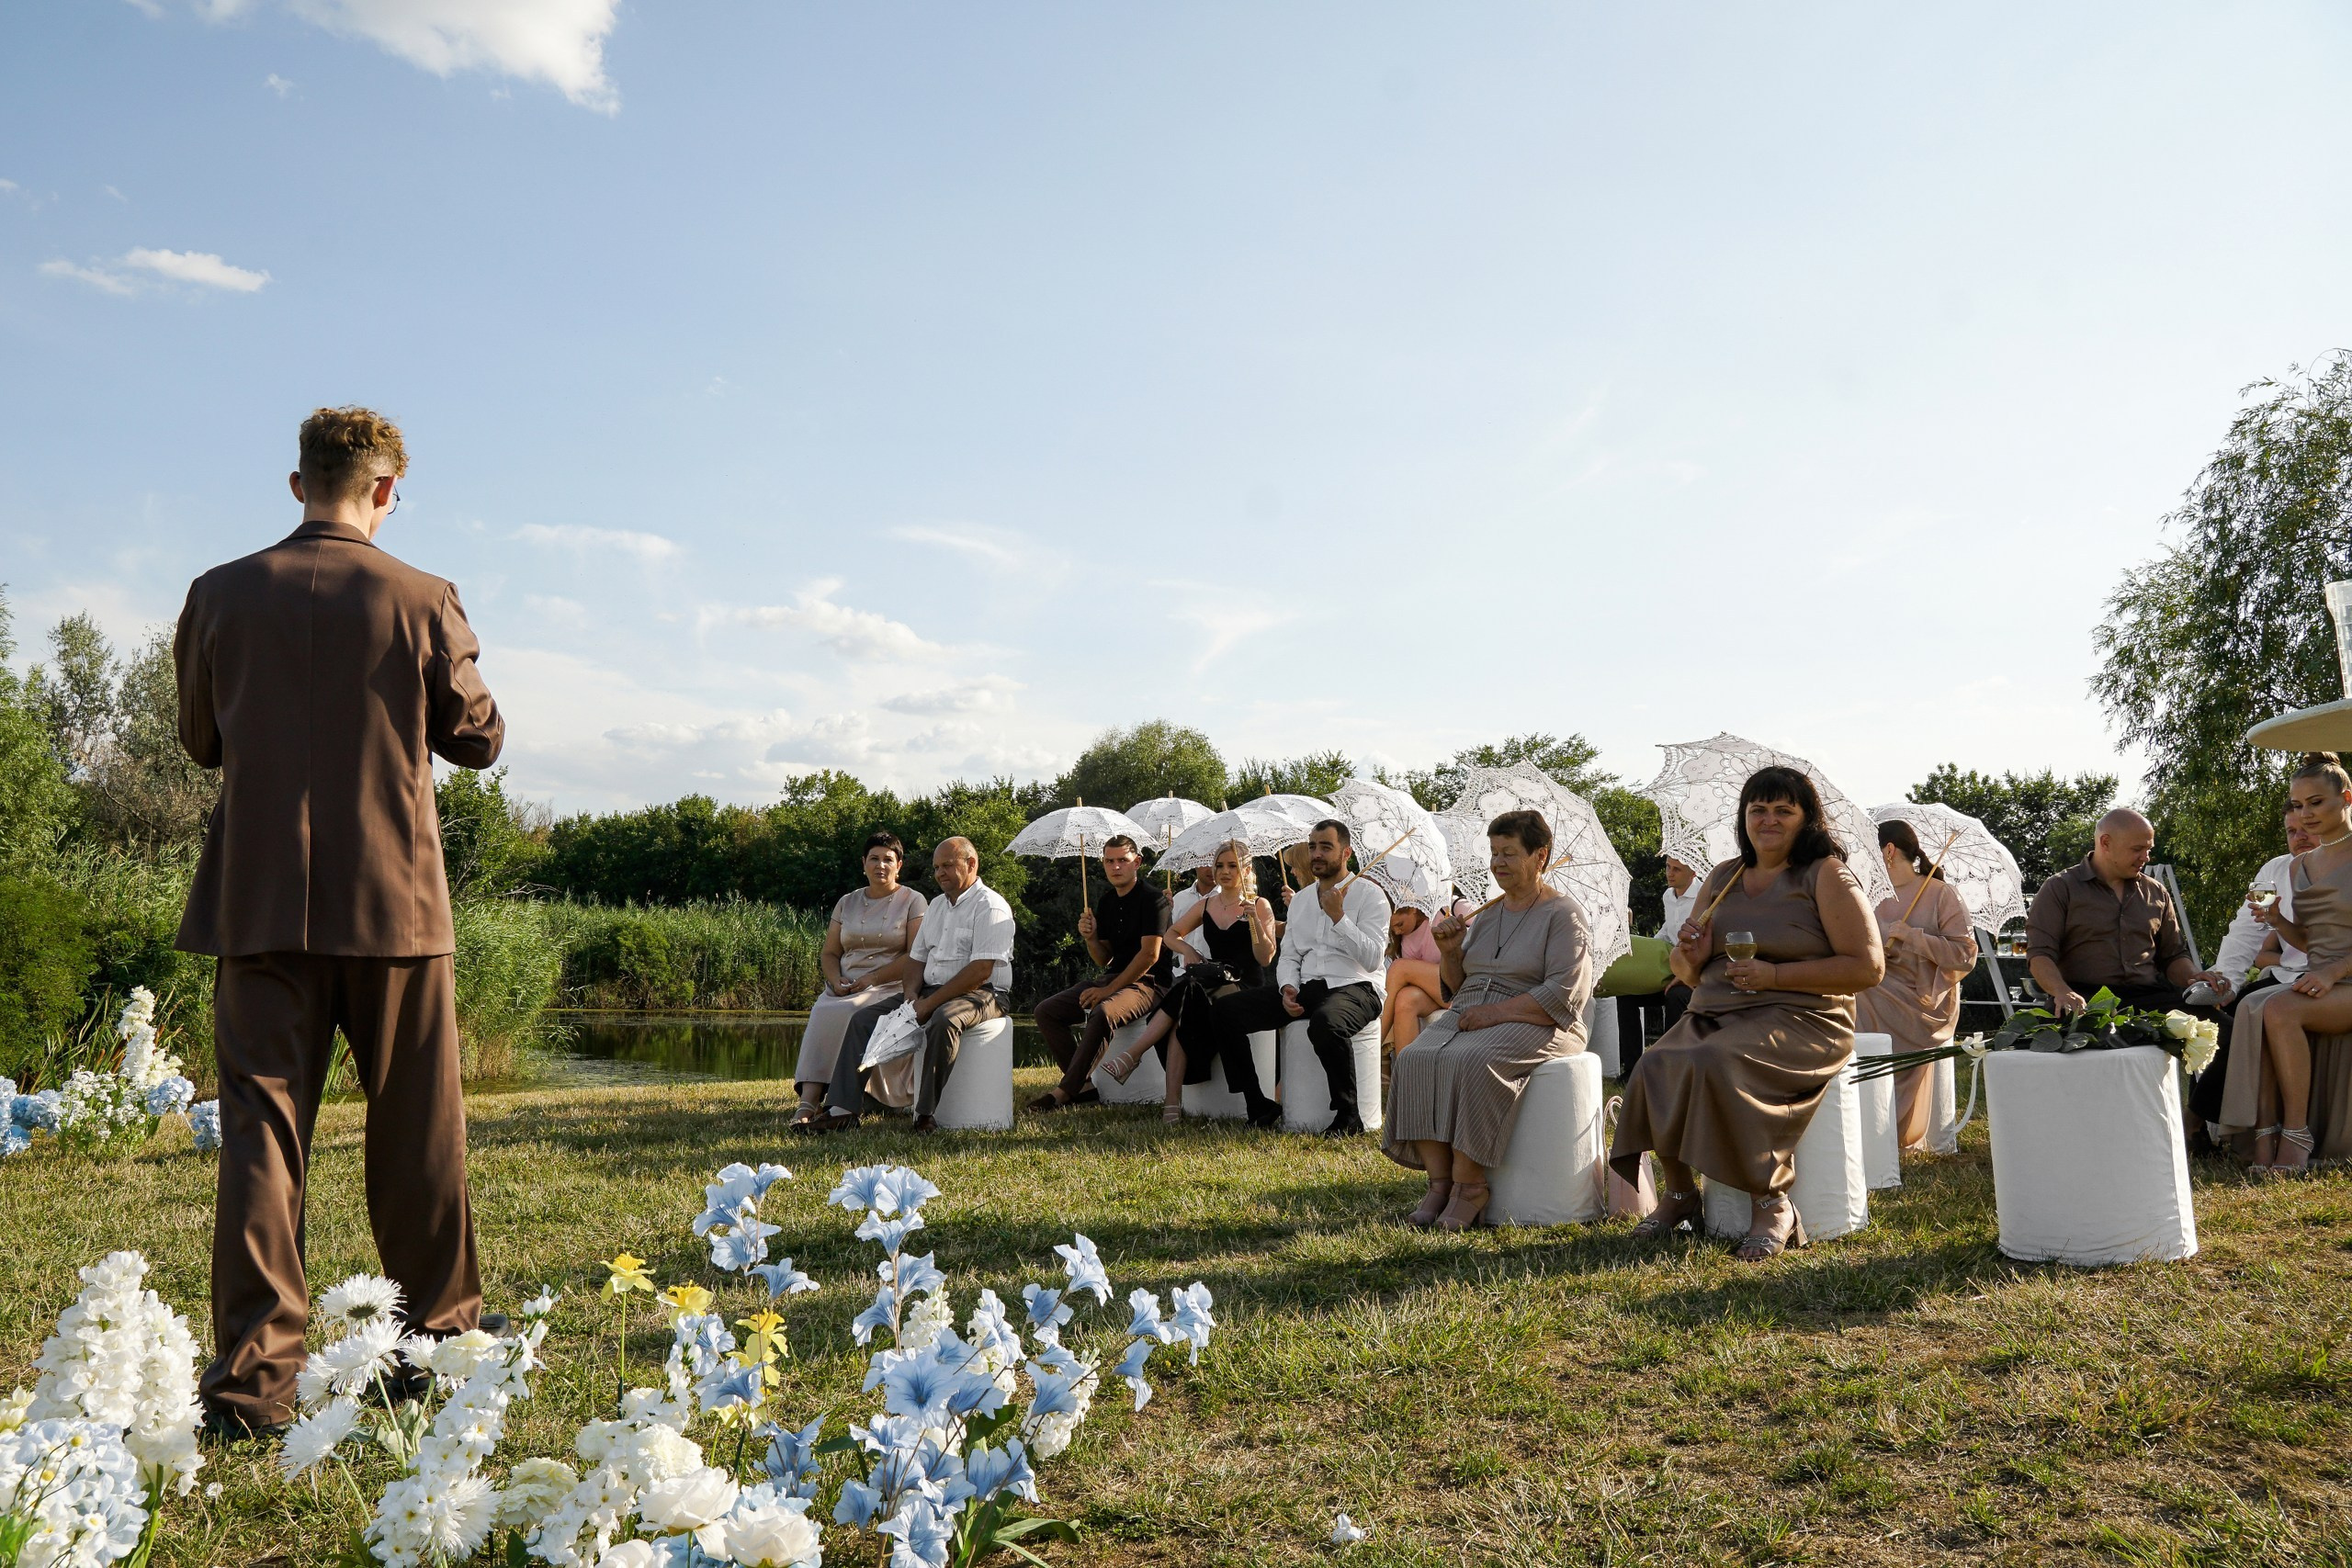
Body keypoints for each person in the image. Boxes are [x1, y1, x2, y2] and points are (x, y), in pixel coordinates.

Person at [175, 407, 503, 1435]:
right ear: (387, 489)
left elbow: (200, 740)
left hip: (258, 901)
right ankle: (433, 1343)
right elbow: (477, 739)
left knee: (262, 1138)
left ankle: (253, 1383)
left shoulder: (217, 593)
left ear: (297, 483)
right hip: (395, 902)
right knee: (418, 1130)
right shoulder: (423, 595)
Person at [1610, 766, 1885, 1261]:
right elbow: (1688, 973)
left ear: (1807, 818)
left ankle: (1772, 1201)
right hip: (1717, 1011)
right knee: (1655, 1063)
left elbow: (1868, 967)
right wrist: (1690, 954)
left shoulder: (1826, 874)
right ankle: (1680, 1192)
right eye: (1758, 809)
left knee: (1718, 1059)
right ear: (1744, 817)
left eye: (1783, 810)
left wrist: (1774, 976)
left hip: (1804, 1017)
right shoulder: (1724, 875)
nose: (1768, 820)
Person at [1385, 810, 1593, 1229]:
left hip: (1541, 1020)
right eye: (1494, 853)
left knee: (1474, 1061)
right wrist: (1450, 952)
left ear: (1540, 856)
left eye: (1509, 853)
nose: (1498, 863)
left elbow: (1564, 994)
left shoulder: (1564, 915)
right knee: (1414, 1058)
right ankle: (1440, 1183)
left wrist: (1495, 1013)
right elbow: (1457, 984)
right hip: (1472, 1011)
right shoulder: (1490, 912)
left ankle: (1470, 1186)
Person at [806, 837, 1012, 1134]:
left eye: (947, 865)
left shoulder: (991, 906)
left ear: (971, 864)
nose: (940, 873)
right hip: (930, 989)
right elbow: (916, 959)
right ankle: (843, 1110)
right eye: (936, 867)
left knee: (944, 1019)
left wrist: (929, 1004)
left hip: (984, 993)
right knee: (863, 1019)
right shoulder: (938, 906)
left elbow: (980, 970)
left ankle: (924, 1115)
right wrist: (911, 995)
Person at [1209, 819, 1390, 1134]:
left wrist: (1339, 917)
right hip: (1308, 986)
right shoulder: (1303, 900)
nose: (1316, 854)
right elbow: (1290, 954)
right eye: (1313, 847)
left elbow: (1373, 958)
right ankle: (1258, 1104)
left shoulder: (1370, 896)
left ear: (1346, 853)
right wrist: (1288, 987)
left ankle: (1349, 1115)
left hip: (1357, 987)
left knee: (1326, 1022)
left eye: (1326, 847)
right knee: (1226, 1011)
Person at [2219, 754, 2352, 1173]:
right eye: (2298, 805)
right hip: (2323, 979)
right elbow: (2312, 942)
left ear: (2346, 798)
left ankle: (2296, 1135)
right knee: (2251, 1006)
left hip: (2343, 979)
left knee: (2277, 1007)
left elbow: (2330, 957)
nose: (2306, 814)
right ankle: (2265, 1137)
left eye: (2316, 802)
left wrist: (2333, 971)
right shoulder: (2299, 867)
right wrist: (2277, 920)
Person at [1098, 839, 1280, 1121]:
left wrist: (1255, 921)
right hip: (1212, 980)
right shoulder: (1206, 905)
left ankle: (1136, 1058)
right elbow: (1170, 935)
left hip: (1245, 985)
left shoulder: (1259, 904)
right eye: (1219, 865)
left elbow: (1265, 958)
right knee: (1187, 1004)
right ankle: (1171, 1102)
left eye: (1233, 866)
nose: (1224, 871)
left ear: (1246, 871)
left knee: (1188, 990)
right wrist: (1188, 950)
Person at [2023, 808, 2233, 1021]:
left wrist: (2195, 976)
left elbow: (2173, 956)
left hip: (2151, 998)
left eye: (2148, 849)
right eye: (2137, 849)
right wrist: (2061, 991)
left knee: (2225, 1028)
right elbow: (2040, 954)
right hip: (2084, 999)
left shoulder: (2156, 892)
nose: (2146, 857)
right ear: (2105, 843)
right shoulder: (2060, 888)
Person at [1854, 820, 1979, 1150]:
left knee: (1861, 995)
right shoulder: (1868, 894)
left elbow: (1965, 955)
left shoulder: (1940, 894)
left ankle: (1887, 1135)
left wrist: (1914, 938)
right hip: (1875, 988)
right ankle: (1863, 1127)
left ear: (1889, 850)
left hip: (1923, 1001)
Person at [789, 832, 925, 1129]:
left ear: (899, 865)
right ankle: (808, 1101)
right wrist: (835, 979)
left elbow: (914, 955)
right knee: (822, 1009)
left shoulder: (913, 901)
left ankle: (844, 1099)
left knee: (852, 1011)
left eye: (888, 859)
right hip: (844, 986)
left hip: (887, 985)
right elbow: (830, 953)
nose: (881, 865)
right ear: (863, 863)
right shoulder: (847, 902)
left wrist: (872, 979)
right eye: (874, 859)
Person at [1030, 835, 1170, 1111]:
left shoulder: (1154, 899)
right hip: (1115, 978)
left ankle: (1064, 1092)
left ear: (1137, 863)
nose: (1115, 867)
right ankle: (1084, 1088)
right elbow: (1104, 958)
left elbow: (1149, 956)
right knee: (1046, 1011)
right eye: (1109, 861)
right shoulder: (1107, 901)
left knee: (1104, 1011)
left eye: (1122, 860)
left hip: (1150, 983)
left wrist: (1108, 991)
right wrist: (1091, 938)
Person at [2194, 808, 2312, 1134]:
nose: (2299, 837)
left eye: (2307, 827)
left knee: (2248, 1015)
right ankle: (2203, 1127)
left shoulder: (2341, 867)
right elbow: (2246, 929)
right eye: (2291, 831)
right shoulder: (2274, 870)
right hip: (2285, 976)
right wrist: (2227, 981)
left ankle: (2195, 1122)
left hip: (2327, 978)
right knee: (2213, 1014)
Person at [1615, 856, 1702, 1066]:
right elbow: (1666, 930)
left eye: (1677, 869)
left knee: (1675, 996)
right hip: (1670, 970)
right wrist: (1645, 953)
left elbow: (1707, 942)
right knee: (1627, 994)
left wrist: (1685, 974)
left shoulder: (1704, 897)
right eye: (1668, 867)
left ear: (1693, 873)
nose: (1669, 873)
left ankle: (1667, 1066)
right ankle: (1632, 1068)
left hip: (1696, 975)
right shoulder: (1668, 896)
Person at [1381, 896, 1471, 1055]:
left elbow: (1489, 929)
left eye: (1399, 924)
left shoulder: (1452, 906)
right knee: (1405, 999)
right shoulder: (1406, 941)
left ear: (1413, 909)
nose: (1397, 931)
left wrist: (1458, 933)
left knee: (1399, 967)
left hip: (1467, 984)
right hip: (1441, 994)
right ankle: (1405, 1067)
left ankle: (1374, 1044)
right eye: (1392, 928)